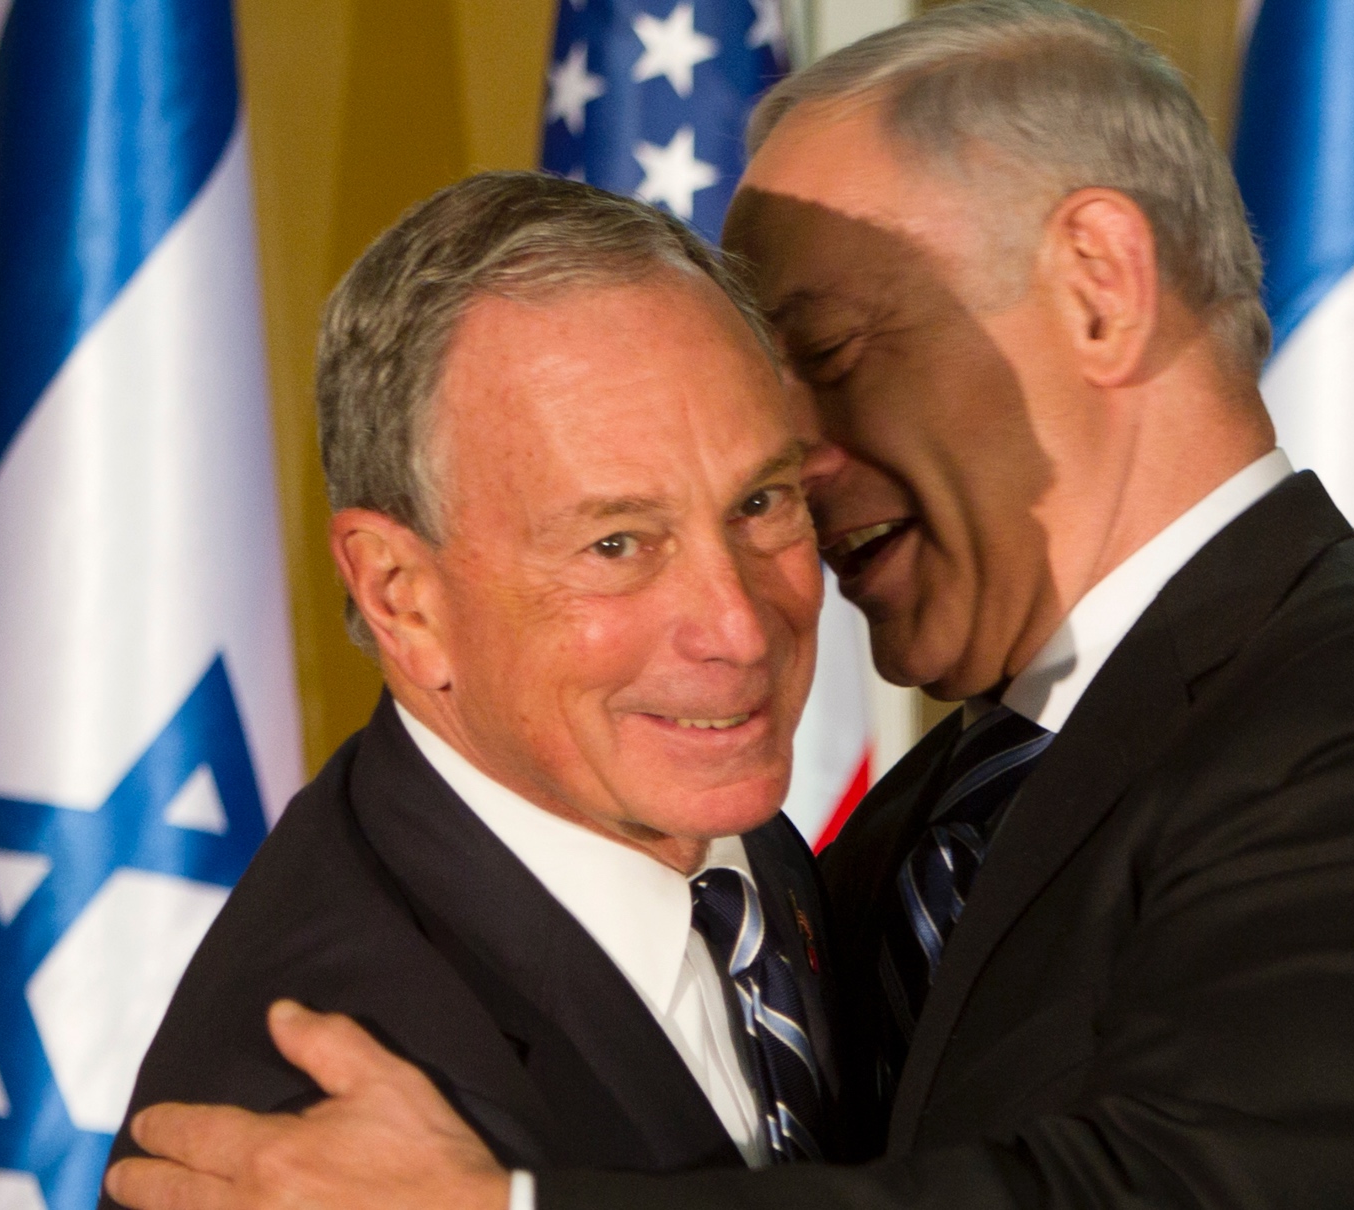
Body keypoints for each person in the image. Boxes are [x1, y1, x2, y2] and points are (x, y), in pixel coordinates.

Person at [108, 3, 1354, 1206]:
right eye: (618, 536)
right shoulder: (879, 844)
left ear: (1098, 286)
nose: (794, 460)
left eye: (827, 347)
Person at [99, 174, 848, 1210]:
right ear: (403, 598)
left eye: (760, 502)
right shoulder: (315, 1123)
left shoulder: (719, 847)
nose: (739, 624)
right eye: (617, 544)